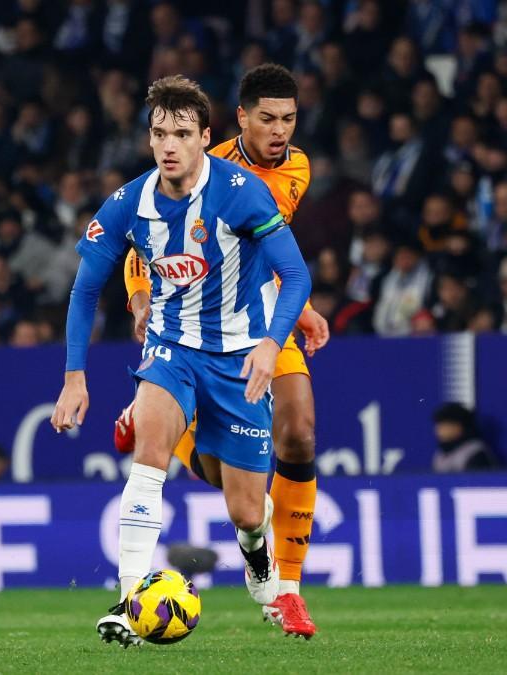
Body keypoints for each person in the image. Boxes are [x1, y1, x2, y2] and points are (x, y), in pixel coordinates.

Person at [50, 76, 311, 647]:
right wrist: (75, 377)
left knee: (246, 509)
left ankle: (259, 563)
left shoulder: (241, 192)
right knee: (148, 459)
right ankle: (127, 601)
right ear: (150, 138)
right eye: (161, 133)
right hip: (171, 348)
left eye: (183, 133)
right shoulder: (128, 204)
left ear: (204, 138)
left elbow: (296, 276)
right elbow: (83, 291)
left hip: (240, 355)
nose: (170, 145)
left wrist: (270, 344)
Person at [115, 64, 327, 638]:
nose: (279, 131)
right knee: (228, 482)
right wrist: (139, 298)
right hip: (196, 331)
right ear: (239, 119)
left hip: (261, 326)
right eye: (267, 119)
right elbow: (144, 239)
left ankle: (288, 591)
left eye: (288, 119)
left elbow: (264, 248)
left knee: (300, 430)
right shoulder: (203, 166)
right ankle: (173, 429)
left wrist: (297, 307)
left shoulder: (299, 168)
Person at [432, 403, 500, 472]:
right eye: (438, 426)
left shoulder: (476, 453)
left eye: (444, 425)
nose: (439, 431)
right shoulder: (440, 454)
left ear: (459, 426)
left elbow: (478, 482)